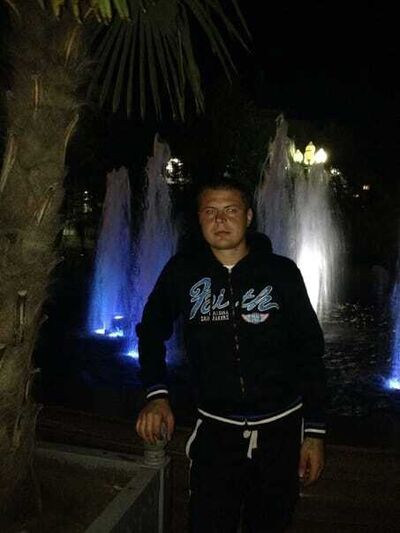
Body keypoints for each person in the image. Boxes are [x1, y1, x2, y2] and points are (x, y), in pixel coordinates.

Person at [136, 177, 327, 532]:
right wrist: (156, 394)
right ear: (199, 218)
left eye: (230, 210)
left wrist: (314, 432)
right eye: (210, 211)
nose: (220, 220)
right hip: (216, 433)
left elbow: (310, 351)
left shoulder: (281, 272)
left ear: (248, 216)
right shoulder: (182, 272)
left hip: (280, 432)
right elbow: (150, 331)